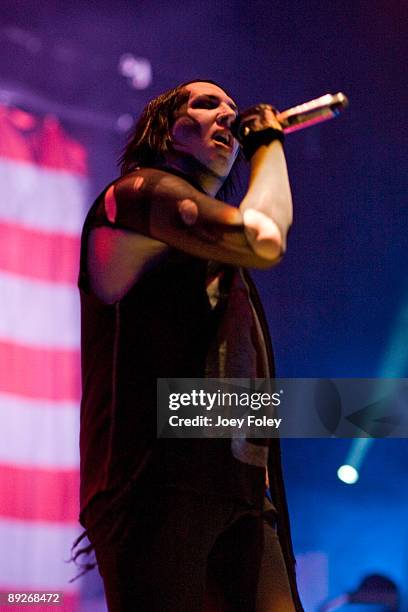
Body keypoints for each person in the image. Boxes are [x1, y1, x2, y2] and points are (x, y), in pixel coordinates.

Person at [73, 79, 304, 611]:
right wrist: (268, 142)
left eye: (232, 108)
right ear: (169, 131)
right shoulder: (131, 198)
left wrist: (368, 412)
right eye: (206, 105)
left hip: (239, 493)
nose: (228, 114)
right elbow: (263, 239)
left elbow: (215, 398)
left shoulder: (214, 261)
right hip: (154, 486)